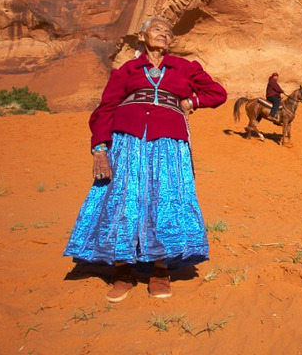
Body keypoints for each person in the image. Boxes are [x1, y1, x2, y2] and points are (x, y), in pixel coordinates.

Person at [64, 17, 227, 302]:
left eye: (168, 32)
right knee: (122, 199)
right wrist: (100, 149)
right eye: (157, 30)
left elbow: (218, 93)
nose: (163, 34)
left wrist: (191, 102)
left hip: (169, 143)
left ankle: (160, 270)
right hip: (128, 143)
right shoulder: (126, 70)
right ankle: (123, 270)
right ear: (142, 36)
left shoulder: (185, 68)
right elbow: (105, 109)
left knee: (165, 200)